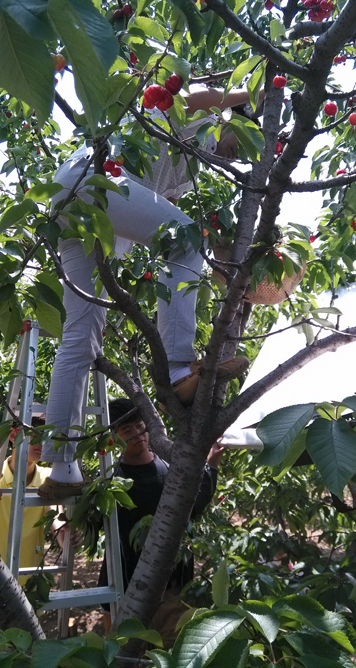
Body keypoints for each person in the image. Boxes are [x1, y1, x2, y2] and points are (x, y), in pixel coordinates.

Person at [38, 86, 256, 502]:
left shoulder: (190, 167)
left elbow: (161, 228)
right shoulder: (192, 115)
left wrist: (224, 266)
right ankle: (177, 370)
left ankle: (63, 467)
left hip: (81, 204)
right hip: (95, 179)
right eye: (243, 142)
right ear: (231, 118)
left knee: (81, 336)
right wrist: (257, 89)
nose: (239, 155)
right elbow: (190, 95)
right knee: (188, 240)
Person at [98, 398, 224, 643]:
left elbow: (192, 507)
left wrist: (212, 466)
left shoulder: (169, 466)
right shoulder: (113, 481)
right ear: (112, 438)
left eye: (140, 425)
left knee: (171, 651)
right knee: (126, 656)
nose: (138, 434)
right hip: (127, 590)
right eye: (127, 430)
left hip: (173, 588)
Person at [0, 421, 80, 585]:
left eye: (46, 437)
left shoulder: (48, 477)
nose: (43, 442)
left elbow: (55, 514)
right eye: (36, 435)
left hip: (31, 580)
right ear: (14, 436)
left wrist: (63, 532)